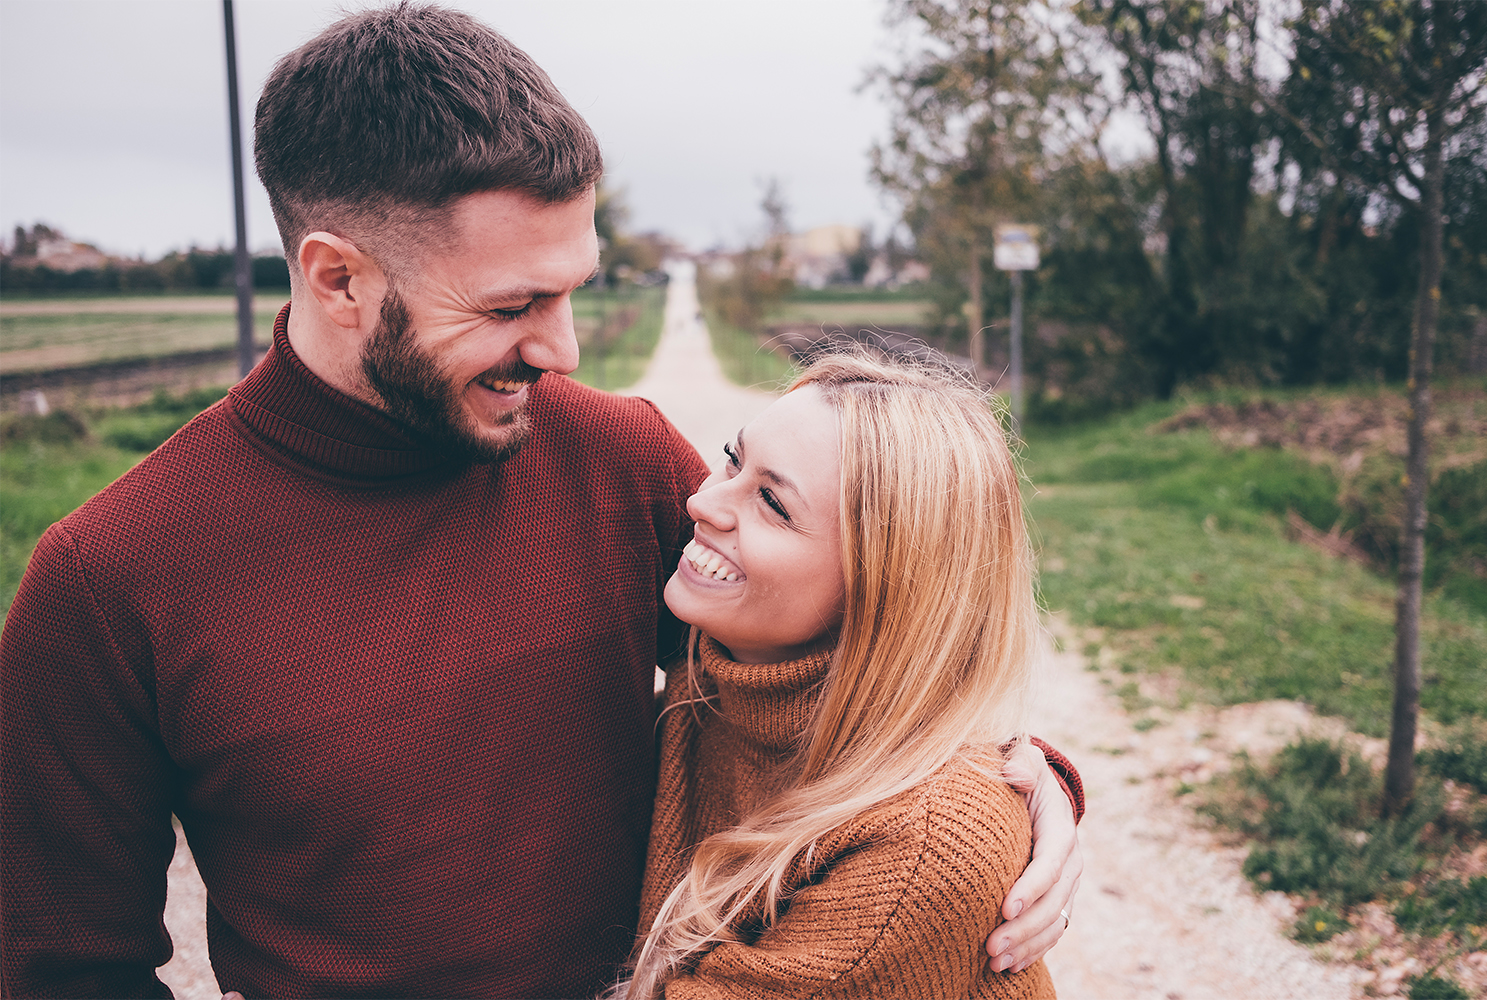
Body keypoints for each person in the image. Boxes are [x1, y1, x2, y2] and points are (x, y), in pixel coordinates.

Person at [0, 5, 1080, 998]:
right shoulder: (108, 580)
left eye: (575, 290)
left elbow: (867, 672)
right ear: (338, 281)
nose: (562, 350)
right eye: (514, 304)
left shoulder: (620, 462)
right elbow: (63, 967)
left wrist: (1030, 790)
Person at [609, 353, 1057, 998]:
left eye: (771, 502)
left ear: (885, 584)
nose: (701, 502)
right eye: (732, 459)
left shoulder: (920, 852)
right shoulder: (717, 671)